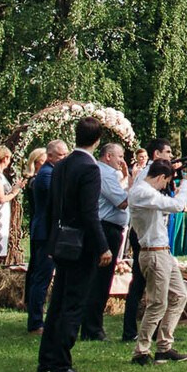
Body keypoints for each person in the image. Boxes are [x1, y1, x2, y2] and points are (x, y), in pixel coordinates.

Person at [39, 117, 111, 372]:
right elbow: (90, 212)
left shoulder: (62, 164)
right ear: (98, 139)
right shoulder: (90, 168)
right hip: (80, 243)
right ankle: (61, 362)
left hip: (60, 239)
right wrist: (103, 246)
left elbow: (51, 207)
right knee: (73, 304)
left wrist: (50, 240)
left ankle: (46, 359)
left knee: (58, 302)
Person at [124, 159, 187, 365]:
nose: (165, 187)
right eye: (166, 182)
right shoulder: (142, 192)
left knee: (180, 295)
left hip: (163, 251)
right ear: (161, 177)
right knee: (157, 304)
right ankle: (141, 351)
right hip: (153, 252)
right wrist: (186, 183)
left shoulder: (146, 191)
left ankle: (164, 346)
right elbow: (178, 205)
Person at [76, 142, 128, 342]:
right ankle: (92, 328)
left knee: (99, 279)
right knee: (100, 279)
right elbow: (121, 202)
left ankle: (91, 325)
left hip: (107, 227)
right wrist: (141, 191)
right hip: (106, 228)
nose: (122, 161)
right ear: (108, 156)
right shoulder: (104, 174)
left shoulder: (106, 173)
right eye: (119, 156)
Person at [25, 141, 66, 333]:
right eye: (61, 155)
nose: (64, 159)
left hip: (45, 230)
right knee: (41, 276)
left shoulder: (52, 172)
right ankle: (35, 322)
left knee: (42, 276)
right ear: (50, 156)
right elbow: (58, 200)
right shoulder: (47, 174)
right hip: (45, 232)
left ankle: (40, 317)